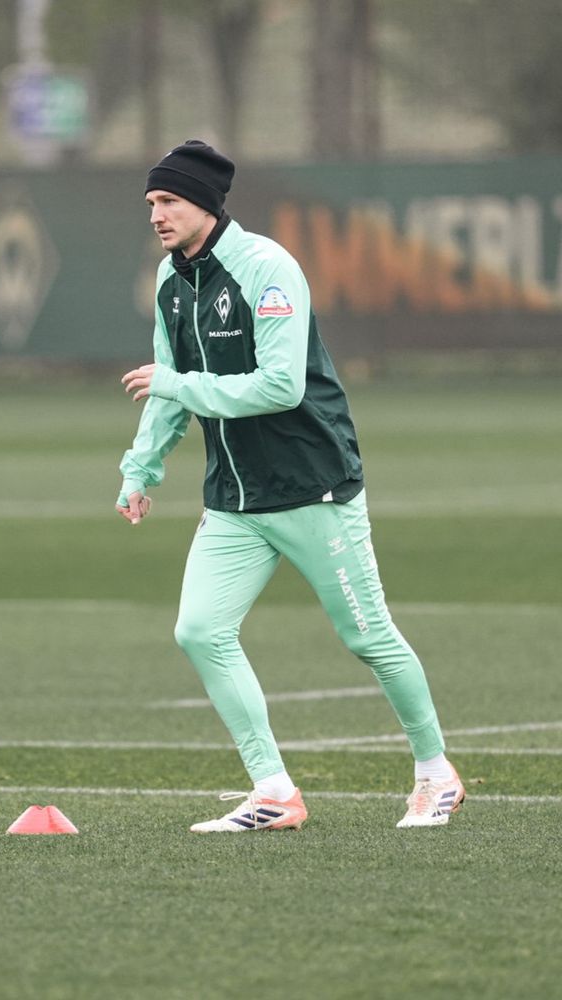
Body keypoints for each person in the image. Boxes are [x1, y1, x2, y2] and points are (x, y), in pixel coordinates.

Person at [115, 139, 464, 832]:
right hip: (237, 500)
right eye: (152, 202)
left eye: (170, 201)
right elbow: (167, 385)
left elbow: (279, 386)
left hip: (314, 488)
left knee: (369, 638)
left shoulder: (268, 269)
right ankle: (273, 790)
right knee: (200, 630)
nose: (156, 214)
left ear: (207, 205)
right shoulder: (170, 280)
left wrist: (178, 384)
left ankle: (435, 773)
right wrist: (140, 468)